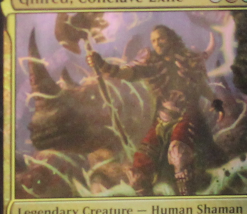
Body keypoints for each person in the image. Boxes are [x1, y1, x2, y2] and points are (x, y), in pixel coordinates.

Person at [86, 25, 220, 195]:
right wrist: (103, 65)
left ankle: (187, 201)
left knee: (178, 153)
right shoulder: (151, 63)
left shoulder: (189, 61)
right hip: (161, 119)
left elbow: (202, 87)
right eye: (154, 41)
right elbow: (126, 72)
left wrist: (216, 102)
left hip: (188, 115)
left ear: (171, 38)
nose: (157, 43)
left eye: (161, 38)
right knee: (139, 166)